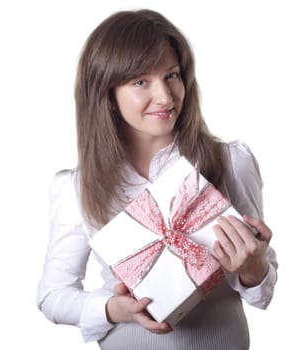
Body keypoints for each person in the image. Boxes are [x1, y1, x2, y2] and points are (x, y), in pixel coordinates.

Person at [37, 9, 278, 350]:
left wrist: (254, 269)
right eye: (140, 82)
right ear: (107, 93)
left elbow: (262, 293)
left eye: (172, 75)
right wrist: (113, 309)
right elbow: (53, 295)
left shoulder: (230, 163)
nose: (165, 97)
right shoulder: (76, 188)